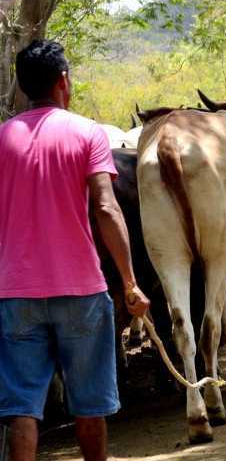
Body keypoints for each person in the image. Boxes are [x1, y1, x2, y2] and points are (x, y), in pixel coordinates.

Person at [0, 40, 150, 461]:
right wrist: (129, 281)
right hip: (82, 291)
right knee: (90, 405)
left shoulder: (2, 137)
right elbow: (106, 206)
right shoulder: (86, 133)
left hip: (16, 295)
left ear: (21, 84)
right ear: (64, 80)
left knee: (22, 410)